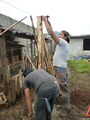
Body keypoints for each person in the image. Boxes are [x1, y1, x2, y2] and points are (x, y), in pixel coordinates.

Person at [42, 16, 71, 114]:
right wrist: (48, 21)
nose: (59, 35)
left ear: (65, 37)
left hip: (61, 70)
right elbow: (52, 31)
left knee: (63, 88)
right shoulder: (62, 43)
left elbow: (51, 33)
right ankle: (62, 104)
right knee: (58, 87)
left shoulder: (63, 43)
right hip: (59, 69)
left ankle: (66, 107)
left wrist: (45, 20)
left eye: (61, 34)